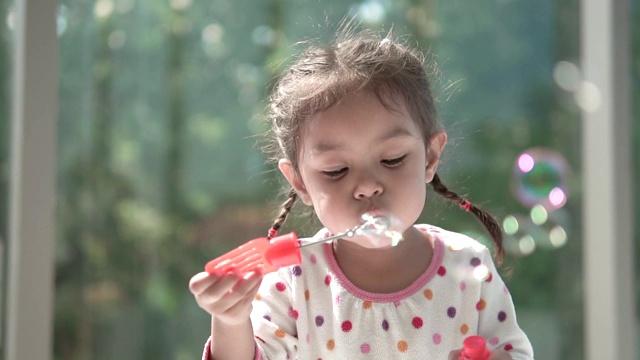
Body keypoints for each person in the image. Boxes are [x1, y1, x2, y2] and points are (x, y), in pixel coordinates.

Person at [189, 27, 534, 360]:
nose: (368, 185)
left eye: (392, 159)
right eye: (336, 170)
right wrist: (231, 319)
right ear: (300, 182)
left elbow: (511, 351)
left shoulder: (468, 263)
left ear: (429, 157)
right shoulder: (291, 281)